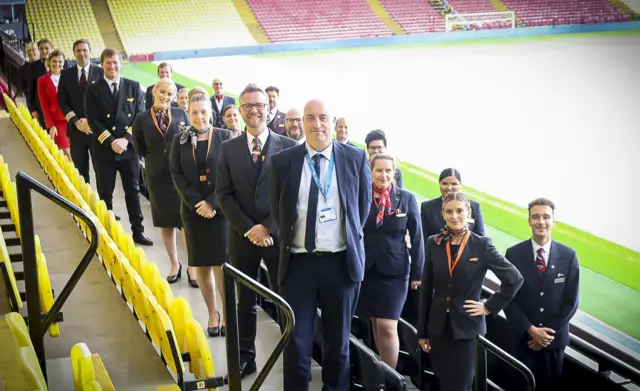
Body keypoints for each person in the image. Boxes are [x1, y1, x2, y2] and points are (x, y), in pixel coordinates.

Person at [269, 99, 372, 391]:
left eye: (323, 118)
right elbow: (279, 213)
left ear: (333, 121)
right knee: (296, 343)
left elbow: (360, 212)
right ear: (302, 122)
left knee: (337, 346)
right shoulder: (283, 161)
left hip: (340, 266)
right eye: (310, 118)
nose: (317, 125)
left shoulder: (355, 159)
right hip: (298, 265)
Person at [216, 83, 297, 379]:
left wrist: (268, 227)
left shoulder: (287, 146)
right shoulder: (228, 148)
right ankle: (245, 360)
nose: (254, 111)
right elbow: (223, 195)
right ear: (240, 110)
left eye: (259, 105)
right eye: (247, 106)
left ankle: (292, 355)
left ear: (268, 107)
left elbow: (290, 195)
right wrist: (250, 228)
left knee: (284, 300)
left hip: (276, 238)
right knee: (245, 303)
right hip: (242, 238)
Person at [418, 192, 523, 391]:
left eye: (459, 211)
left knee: (459, 385)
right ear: (443, 214)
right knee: (442, 381)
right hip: (437, 329)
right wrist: (422, 332)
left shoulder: (482, 245)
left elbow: (514, 278)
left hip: (465, 330)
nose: (454, 216)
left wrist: (489, 307)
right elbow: (426, 291)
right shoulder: (434, 242)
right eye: (449, 211)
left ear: (469, 213)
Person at [170, 87, 233, 336]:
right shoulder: (180, 139)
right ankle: (212, 314)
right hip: (194, 213)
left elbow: (229, 176)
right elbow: (176, 174)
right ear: (188, 112)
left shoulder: (226, 137)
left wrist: (212, 203)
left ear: (211, 113)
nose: (199, 117)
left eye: (203, 112)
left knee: (222, 268)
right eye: (194, 112)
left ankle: (229, 317)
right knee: (204, 267)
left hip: (219, 214)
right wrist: (198, 203)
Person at [504, 198, 580, 391]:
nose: (541, 222)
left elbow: (571, 302)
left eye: (546, 217)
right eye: (536, 217)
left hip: (553, 343)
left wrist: (545, 335)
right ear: (529, 220)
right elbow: (508, 299)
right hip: (523, 342)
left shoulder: (569, 256)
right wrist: (531, 330)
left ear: (554, 221)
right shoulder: (513, 255)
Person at [356, 154, 424, 369]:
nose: (383, 175)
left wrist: (418, 273)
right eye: (378, 170)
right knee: (375, 322)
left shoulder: (406, 198)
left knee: (387, 325)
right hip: (365, 269)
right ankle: (381, 376)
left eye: (388, 171)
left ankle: (391, 378)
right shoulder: (361, 195)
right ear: (371, 171)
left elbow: (418, 237)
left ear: (394, 172)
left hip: (395, 272)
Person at [84, 48, 152, 246]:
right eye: (108, 63)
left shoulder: (133, 86)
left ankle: (138, 231)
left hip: (128, 150)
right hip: (105, 150)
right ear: (101, 64)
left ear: (120, 64)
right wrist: (112, 141)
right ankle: (106, 232)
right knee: (106, 193)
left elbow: (139, 116)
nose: (112, 66)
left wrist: (125, 140)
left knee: (133, 191)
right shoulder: (93, 89)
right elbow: (93, 120)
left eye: (115, 62)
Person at [132, 78, 196, 284]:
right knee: (166, 223)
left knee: (186, 222)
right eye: (162, 92)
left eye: (170, 94)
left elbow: (189, 142)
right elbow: (140, 147)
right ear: (154, 92)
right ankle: (174, 264)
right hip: (157, 177)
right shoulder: (141, 118)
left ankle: (192, 267)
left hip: (181, 176)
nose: (165, 97)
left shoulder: (181, 114)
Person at [58, 39, 103, 186]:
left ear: (90, 52)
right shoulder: (66, 75)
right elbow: (63, 102)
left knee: (101, 170)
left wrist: (90, 122)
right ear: (74, 53)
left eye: (84, 50)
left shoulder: (101, 72)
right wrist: (76, 121)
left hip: (97, 131)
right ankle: (83, 205)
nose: (82, 53)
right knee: (80, 171)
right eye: (78, 51)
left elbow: (105, 102)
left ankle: (103, 205)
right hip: (76, 130)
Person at [420, 168, 485, 238]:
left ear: (460, 185)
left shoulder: (474, 207)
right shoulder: (427, 207)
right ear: (439, 184)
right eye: (444, 184)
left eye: (454, 184)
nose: (449, 187)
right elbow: (423, 239)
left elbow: (480, 237)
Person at [37, 49, 71, 161]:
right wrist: (51, 125)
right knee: (65, 151)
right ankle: (73, 176)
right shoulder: (42, 80)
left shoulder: (69, 77)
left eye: (60, 61)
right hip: (57, 120)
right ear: (49, 62)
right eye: (54, 61)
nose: (57, 64)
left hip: (72, 119)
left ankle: (77, 175)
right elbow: (44, 104)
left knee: (75, 151)